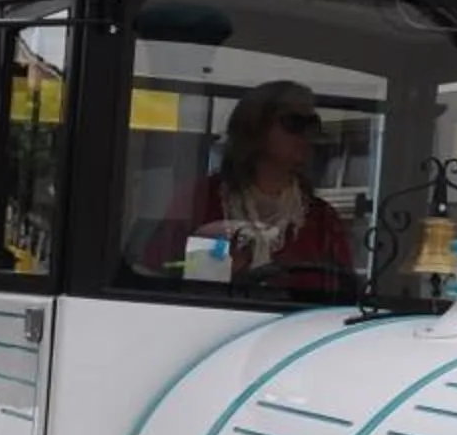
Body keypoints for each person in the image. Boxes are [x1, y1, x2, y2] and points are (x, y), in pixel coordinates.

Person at [142, 79, 359, 292]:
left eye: (312, 125)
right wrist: (215, 271)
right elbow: (157, 274)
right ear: (256, 127)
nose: (307, 135)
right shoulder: (201, 199)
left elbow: (342, 296)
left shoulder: (321, 219)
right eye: (294, 123)